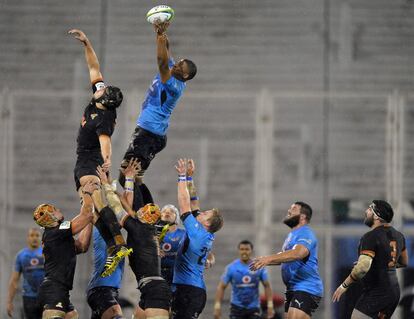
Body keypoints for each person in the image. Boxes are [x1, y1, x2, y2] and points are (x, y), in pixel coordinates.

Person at [69, 28, 130, 277]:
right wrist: (87, 43)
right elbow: (94, 69)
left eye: (103, 92)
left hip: (90, 162)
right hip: (81, 160)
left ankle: (118, 242)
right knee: (89, 211)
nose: (99, 88)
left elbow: (106, 143)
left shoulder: (103, 117)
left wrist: (106, 163)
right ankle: (108, 244)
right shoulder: (100, 98)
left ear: (106, 102)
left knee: (95, 198)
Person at [93, 160, 171, 319]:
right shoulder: (145, 228)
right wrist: (126, 179)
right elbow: (127, 207)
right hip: (149, 288)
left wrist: (106, 185)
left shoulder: (138, 228)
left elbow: (117, 207)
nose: (139, 209)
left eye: (142, 211)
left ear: (143, 217)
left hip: (154, 289)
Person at [120, 21, 197, 181]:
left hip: (148, 134)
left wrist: (161, 35)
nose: (175, 65)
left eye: (180, 67)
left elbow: (161, 62)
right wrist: (160, 33)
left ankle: (143, 206)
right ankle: (146, 206)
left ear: (185, 76)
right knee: (135, 179)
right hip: (154, 134)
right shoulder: (173, 69)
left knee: (126, 177)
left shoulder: (174, 85)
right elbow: (166, 49)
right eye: (178, 62)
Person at [332, 200, 408, 318]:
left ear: (377, 215)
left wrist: (344, 286)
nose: (366, 212)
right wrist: (379, 263)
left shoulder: (370, 237)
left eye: (369, 209)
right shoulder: (399, 236)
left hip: (377, 292)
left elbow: (362, 268)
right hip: (393, 292)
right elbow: (403, 262)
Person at [33, 181, 97, 319]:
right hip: (53, 290)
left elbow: (82, 246)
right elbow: (85, 215)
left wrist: (90, 220)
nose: (59, 210)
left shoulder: (58, 236)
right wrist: (86, 193)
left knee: (72, 316)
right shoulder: (56, 232)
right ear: (50, 217)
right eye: (55, 210)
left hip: (60, 290)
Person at [250, 202, 323, 319]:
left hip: (306, 287)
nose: (289, 211)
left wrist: (268, 259)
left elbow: (298, 253)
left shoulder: (306, 233)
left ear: (302, 217)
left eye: (293, 209)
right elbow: (285, 257)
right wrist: (263, 260)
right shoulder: (292, 235)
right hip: (292, 288)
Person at [171, 158, 223, 319]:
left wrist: (181, 176)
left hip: (189, 291)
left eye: (205, 213)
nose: (201, 212)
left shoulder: (198, 233)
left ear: (207, 223)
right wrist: (189, 178)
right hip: (191, 289)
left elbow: (184, 204)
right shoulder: (205, 232)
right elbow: (194, 202)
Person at [214, 240, 274, 319]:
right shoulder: (231, 268)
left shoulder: (258, 266)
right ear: (239, 251)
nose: (244, 252)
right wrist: (217, 306)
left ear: (251, 251)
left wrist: (270, 305)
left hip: (254, 307)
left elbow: (267, 286)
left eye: (247, 249)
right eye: (242, 249)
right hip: (236, 307)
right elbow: (221, 287)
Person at [86, 224, 126, 319]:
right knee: (116, 314)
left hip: (110, 291)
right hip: (101, 290)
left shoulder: (117, 240)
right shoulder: (102, 233)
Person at [7, 228, 44, 319]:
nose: (34, 238)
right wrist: (9, 301)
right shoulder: (21, 255)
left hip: (46, 296)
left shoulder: (46, 254)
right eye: (32, 235)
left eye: (37, 235)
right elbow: (14, 280)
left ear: (41, 238)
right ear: (27, 238)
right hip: (29, 297)